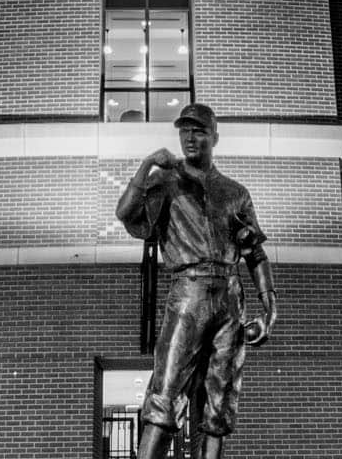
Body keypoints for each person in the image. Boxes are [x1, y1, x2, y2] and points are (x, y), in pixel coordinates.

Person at [116, 102, 278, 459]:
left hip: (230, 298)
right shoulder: (166, 182)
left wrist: (270, 308)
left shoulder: (235, 193)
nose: (190, 137)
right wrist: (146, 167)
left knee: (219, 402)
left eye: (199, 131)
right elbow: (126, 214)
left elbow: (255, 254)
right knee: (166, 392)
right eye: (184, 131)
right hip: (187, 294)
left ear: (214, 137)